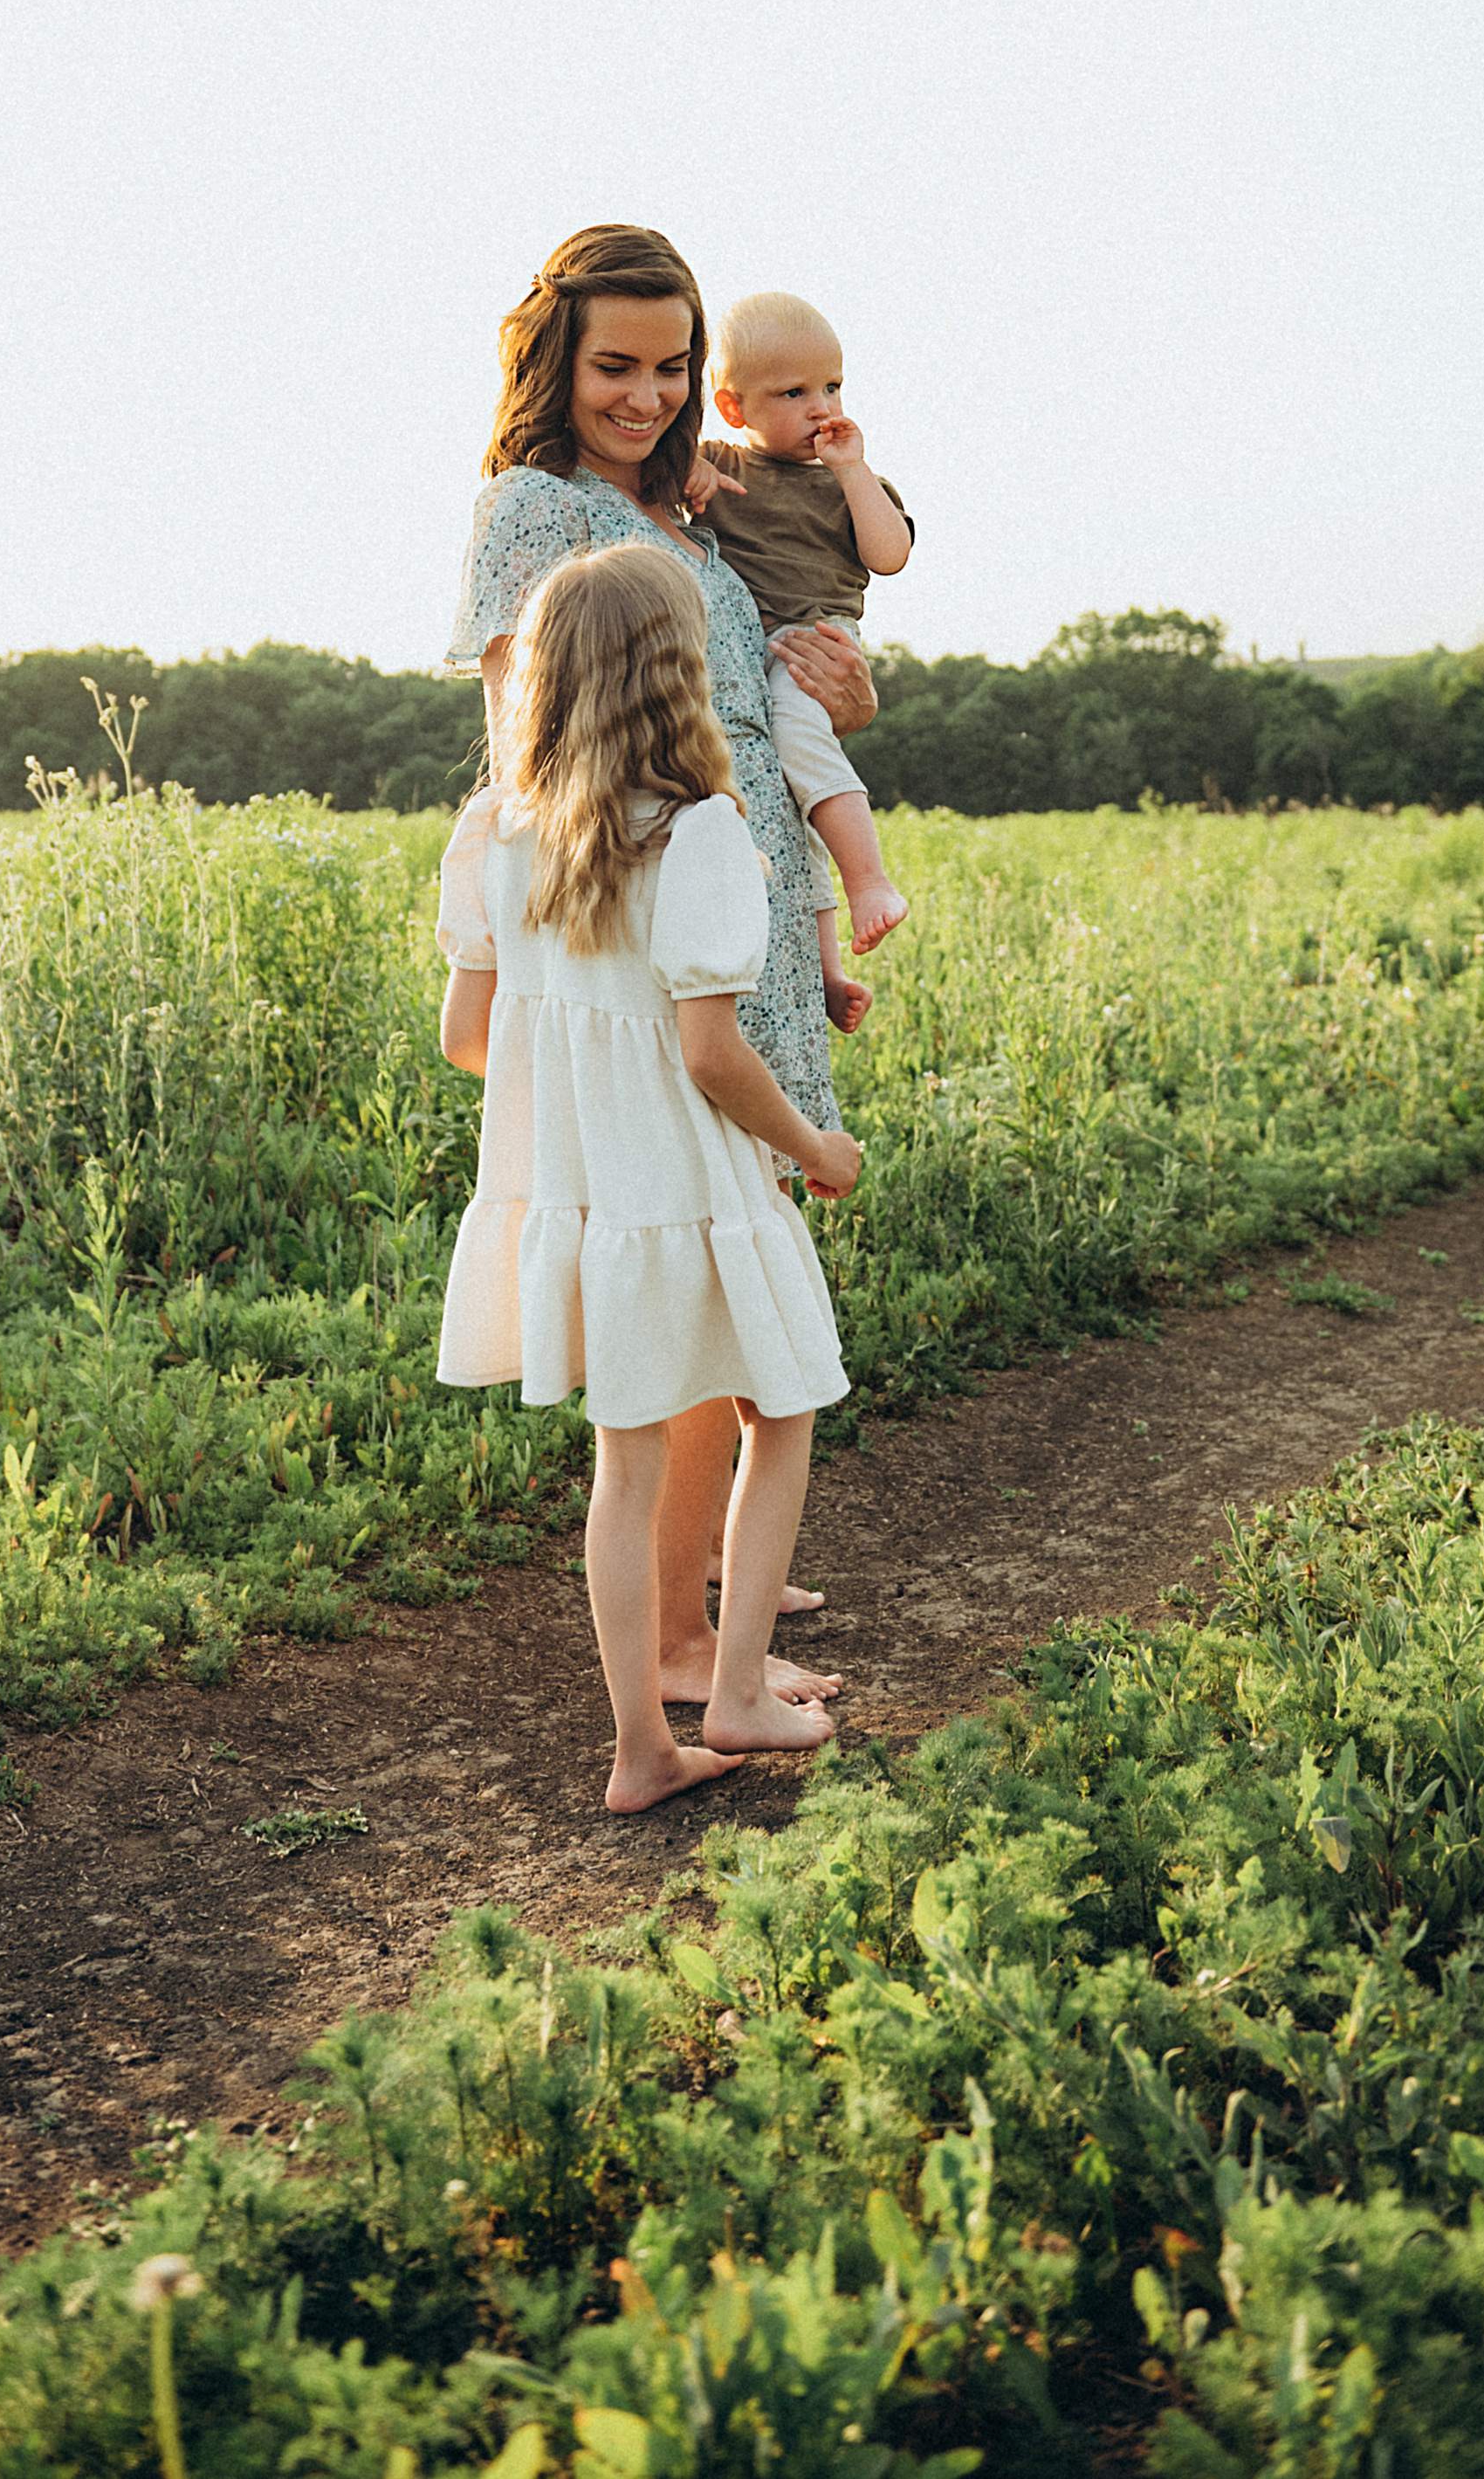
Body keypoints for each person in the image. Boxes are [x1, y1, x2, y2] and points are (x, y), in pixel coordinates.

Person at [446, 222, 875, 1655]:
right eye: (612, 365)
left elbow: (753, 708)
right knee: (697, 1274)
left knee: (732, 1276)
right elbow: (524, 758)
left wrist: (835, 715)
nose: (643, 392)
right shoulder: (537, 510)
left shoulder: (698, 513)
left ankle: (706, 1603)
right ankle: (690, 1649)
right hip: (648, 922)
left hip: (738, 913)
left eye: (671, 365)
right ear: (554, 363)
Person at [435, 544, 862, 1811]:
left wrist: (572, 1075)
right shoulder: (701, 833)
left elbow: (470, 1038)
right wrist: (816, 1149)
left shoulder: (496, 832)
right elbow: (712, 1053)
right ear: (679, 675)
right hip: (698, 1185)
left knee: (624, 1468)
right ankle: (732, 1691)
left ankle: (641, 1748)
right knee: (778, 1415)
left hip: (590, 1193)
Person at [692, 292, 912, 1006]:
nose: (821, 406)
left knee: (801, 745)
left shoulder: (854, 484)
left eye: (833, 386)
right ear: (734, 408)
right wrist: (686, 476)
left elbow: (891, 555)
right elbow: (661, 488)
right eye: (794, 393)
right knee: (786, 806)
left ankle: (869, 878)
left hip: (813, 642)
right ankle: (826, 969)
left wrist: (852, 472)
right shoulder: (719, 462)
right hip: (745, 654)